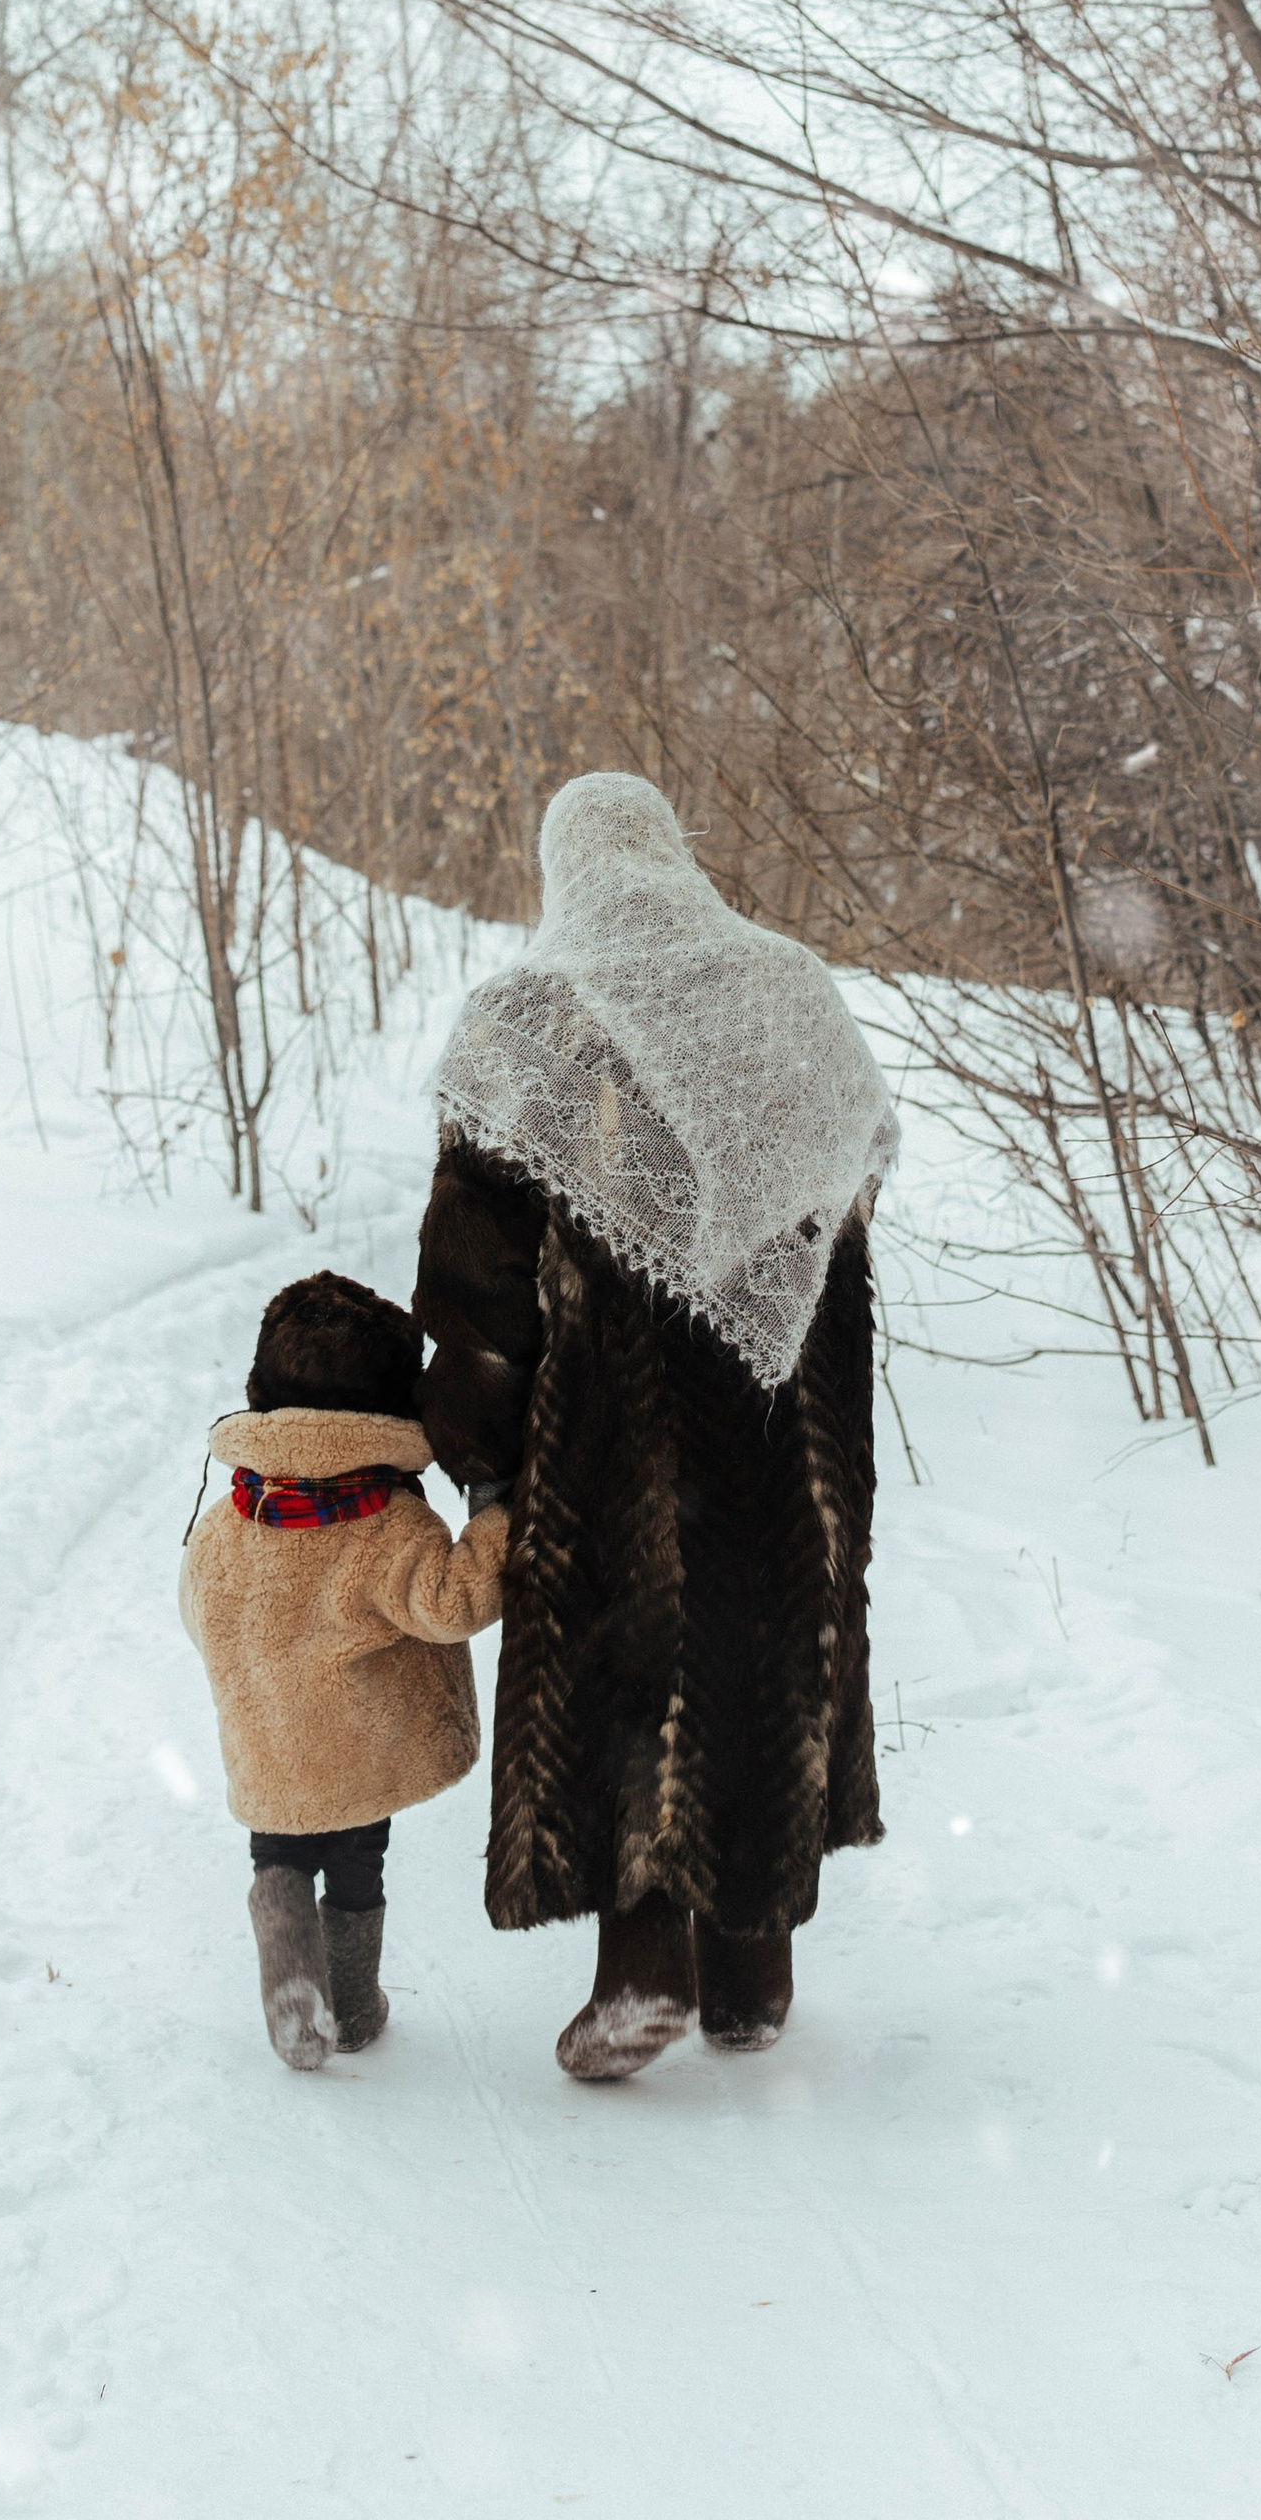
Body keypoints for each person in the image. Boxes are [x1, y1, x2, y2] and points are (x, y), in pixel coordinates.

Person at [414, 772, 899, 2082]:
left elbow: (475, 1287)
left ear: (564, 869)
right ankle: (752, 1969)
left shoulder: (524, 1018)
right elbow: (850, 1211)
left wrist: (485, 1457)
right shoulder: (791, 989)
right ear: (673, 854)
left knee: (630, 1669)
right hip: (789, 1421)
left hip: (609, 1435)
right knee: (762, 1654)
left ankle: (641, 1967)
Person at [179, 1269, 509, 2069]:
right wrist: (500, 1519)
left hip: (271, 1747)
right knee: (356, 1872)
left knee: (280, 1857)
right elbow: (450, 1601)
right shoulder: (382, 1521)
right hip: (360, 1749)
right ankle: (353, 2007)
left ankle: (291, 1975)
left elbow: (197, 1609)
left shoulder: (235, 1511)